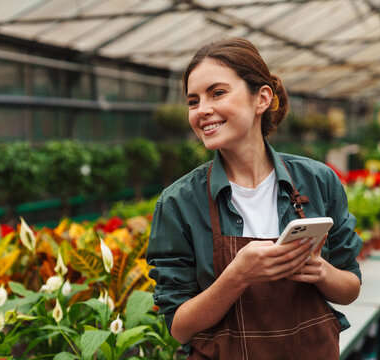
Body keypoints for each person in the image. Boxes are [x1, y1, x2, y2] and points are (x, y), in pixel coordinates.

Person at [146, 37, 362, 359]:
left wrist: (321, 270)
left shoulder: (318, 181)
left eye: (217, 93)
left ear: (261, 99)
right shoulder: (178, 203)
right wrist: (236, 275)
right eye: (193, 101)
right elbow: (178, 325)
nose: (202, 110)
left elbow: (351, 286)